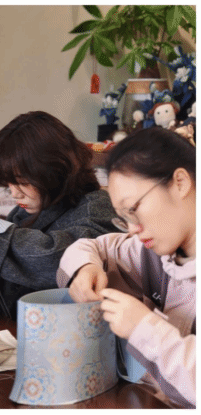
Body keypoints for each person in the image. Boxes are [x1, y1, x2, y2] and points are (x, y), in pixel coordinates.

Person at [0, 111, 118, 318]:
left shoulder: (96, 206)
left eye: (23, 182)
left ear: (56, 170)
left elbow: (60, 259)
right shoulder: (25, 212)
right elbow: (2, 269)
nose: (14, 193)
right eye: (8, 183)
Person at [56, 128, 195, 408]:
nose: (132, 229)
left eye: (133, 209)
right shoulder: (155, 252)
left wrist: (145, 329)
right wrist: (84, 268)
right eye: (123, 217)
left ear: (180, 182)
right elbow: (91, 248)